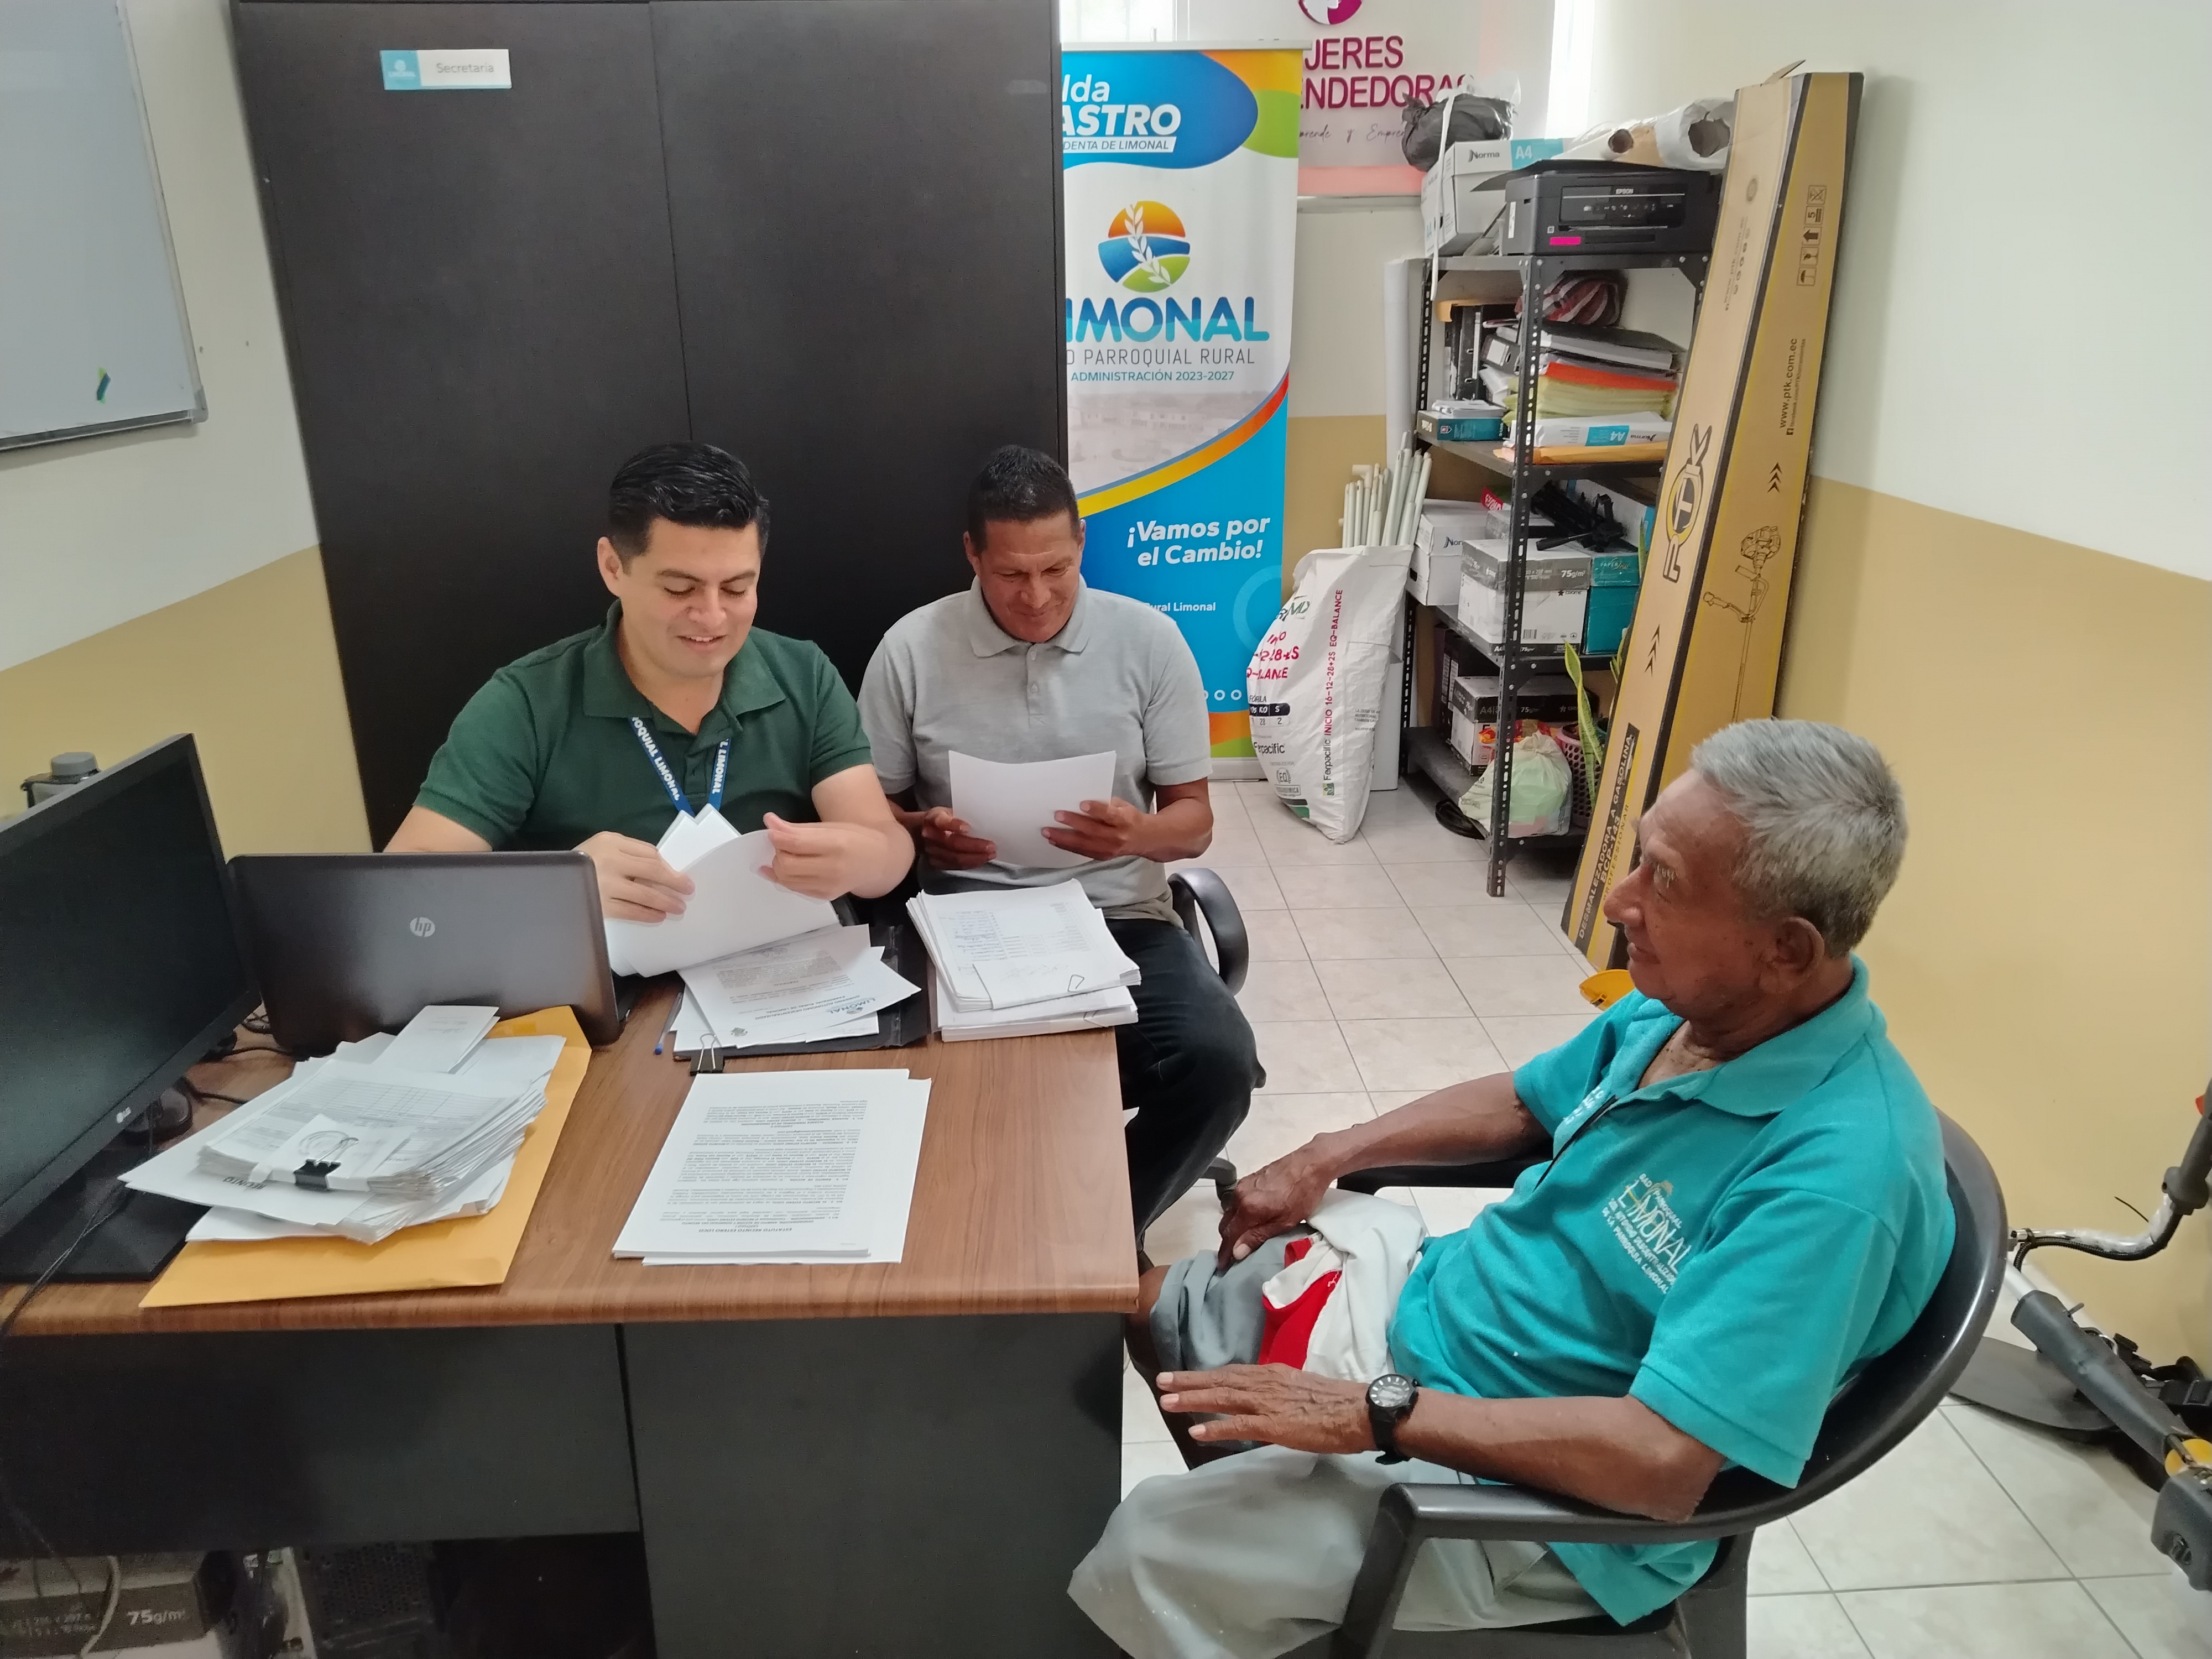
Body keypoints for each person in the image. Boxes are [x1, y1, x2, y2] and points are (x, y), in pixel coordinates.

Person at [1071, 719, 1953, 1658]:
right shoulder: (1692, 1010)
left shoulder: (1835, 1182)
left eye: (1664, 881)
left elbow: (1662, 1465)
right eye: (1639, 859)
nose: (1619, 900)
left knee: (1142, 1554)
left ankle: (1245, 1582)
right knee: (1145, 1309)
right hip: (1435, 1321)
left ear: (1786, 950)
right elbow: (1527, 1100)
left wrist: (1375, 1413)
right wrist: (1328, 1152)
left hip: (1534, 1501)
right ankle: (1256, 1573)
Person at [857, 446, 1257, 1236]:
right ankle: (1002, 1236)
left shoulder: (1149, 642)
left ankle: (1094, 1239)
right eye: (1011, 574)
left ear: (1081, 544)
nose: (1036, 596)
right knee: (912, 1080)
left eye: (1056, 569)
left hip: (1120, 922)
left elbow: (1194, 823)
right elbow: (872, 812)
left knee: (1220, 1065)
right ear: (972, 554)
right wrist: (919, 834)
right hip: (963, 923)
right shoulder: (910, 649)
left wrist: (1137, 833)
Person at [387, 442, 913, 912]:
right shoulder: (527, 703)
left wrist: (864, 860)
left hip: (780, 970)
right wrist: (563, 885)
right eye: (680, 589)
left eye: (736, 588)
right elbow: (405, 886)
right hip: (610, 979)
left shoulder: (803, 675)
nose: (712, 617)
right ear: (613, 567)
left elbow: (888, 849)